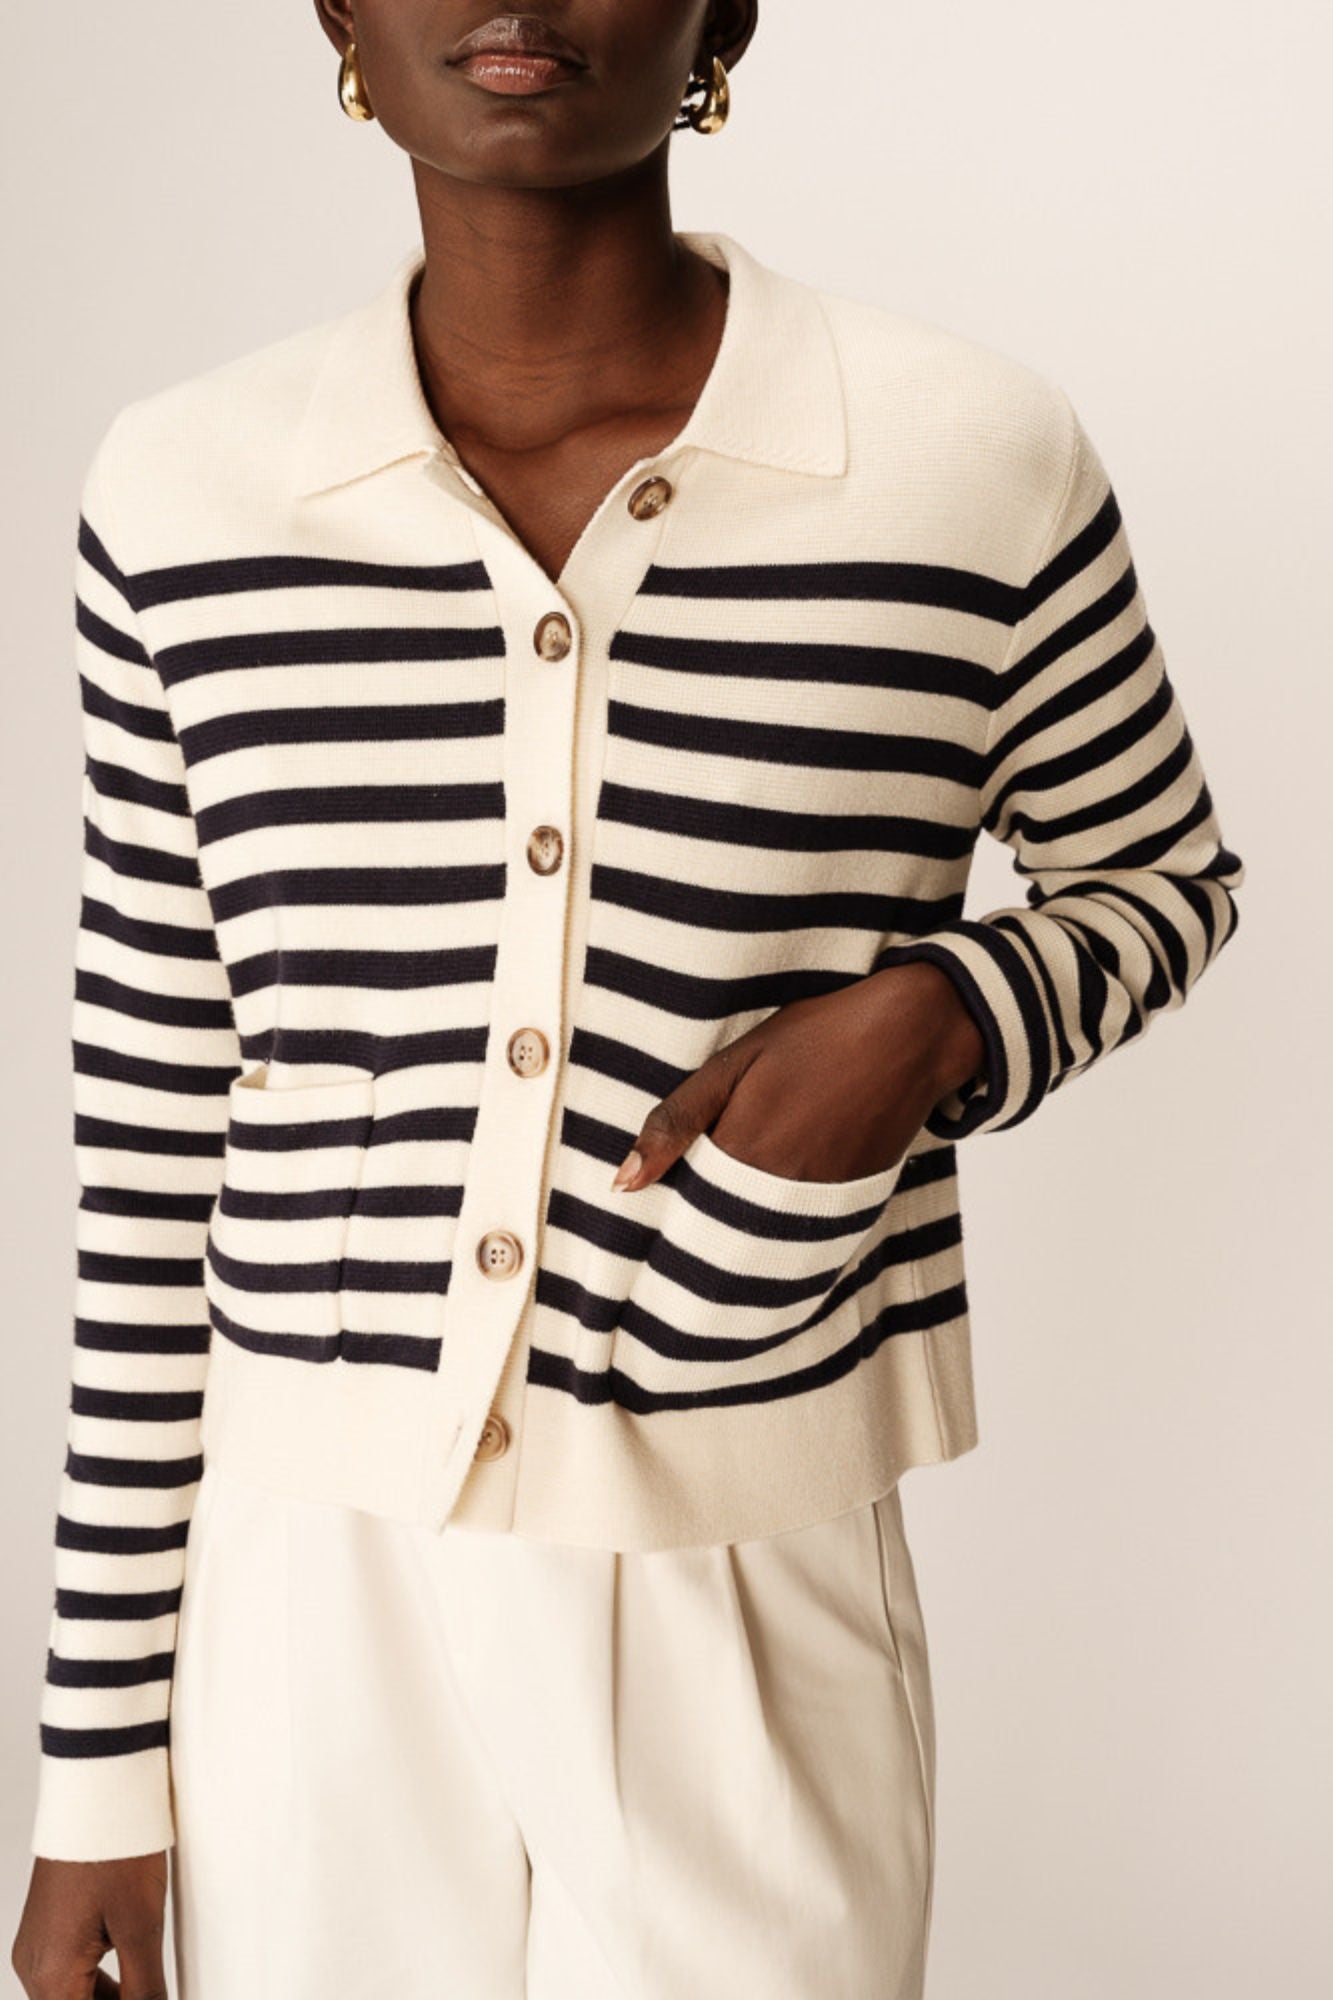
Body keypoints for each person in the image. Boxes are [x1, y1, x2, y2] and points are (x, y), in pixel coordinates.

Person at [12, 4, 1245, 1996]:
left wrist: (941, 1014)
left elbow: (1160, 877)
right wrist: (92, 1769)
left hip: (743, 1550)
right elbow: (156, 1142)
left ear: (720, 14)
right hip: (307, 1600)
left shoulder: (963, 455)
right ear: (338, 13)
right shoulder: (187, 491)